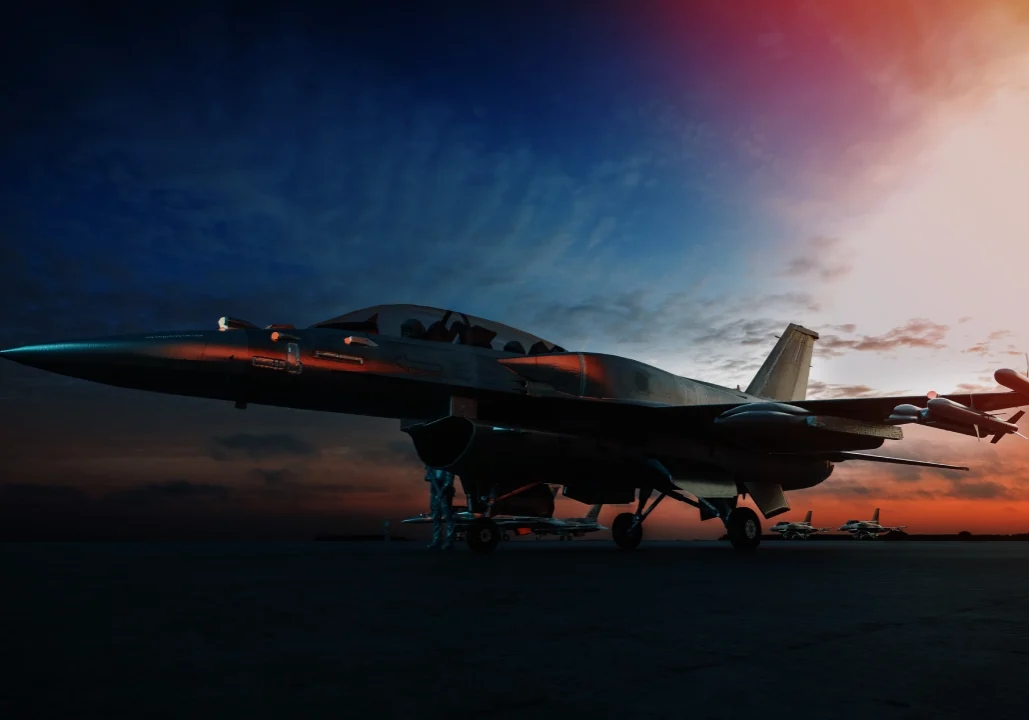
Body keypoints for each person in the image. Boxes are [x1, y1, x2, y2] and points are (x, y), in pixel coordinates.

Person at [425, 466, 456, 550]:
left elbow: (449, 480)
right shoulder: (431, 467)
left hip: (445, 495)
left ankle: (450, 541)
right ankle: (436, 541)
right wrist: (430, 477)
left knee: (448, 517)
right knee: (436, 517)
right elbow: (426, 477)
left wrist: (442, 491)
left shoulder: (447, 466)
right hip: (435, 494)